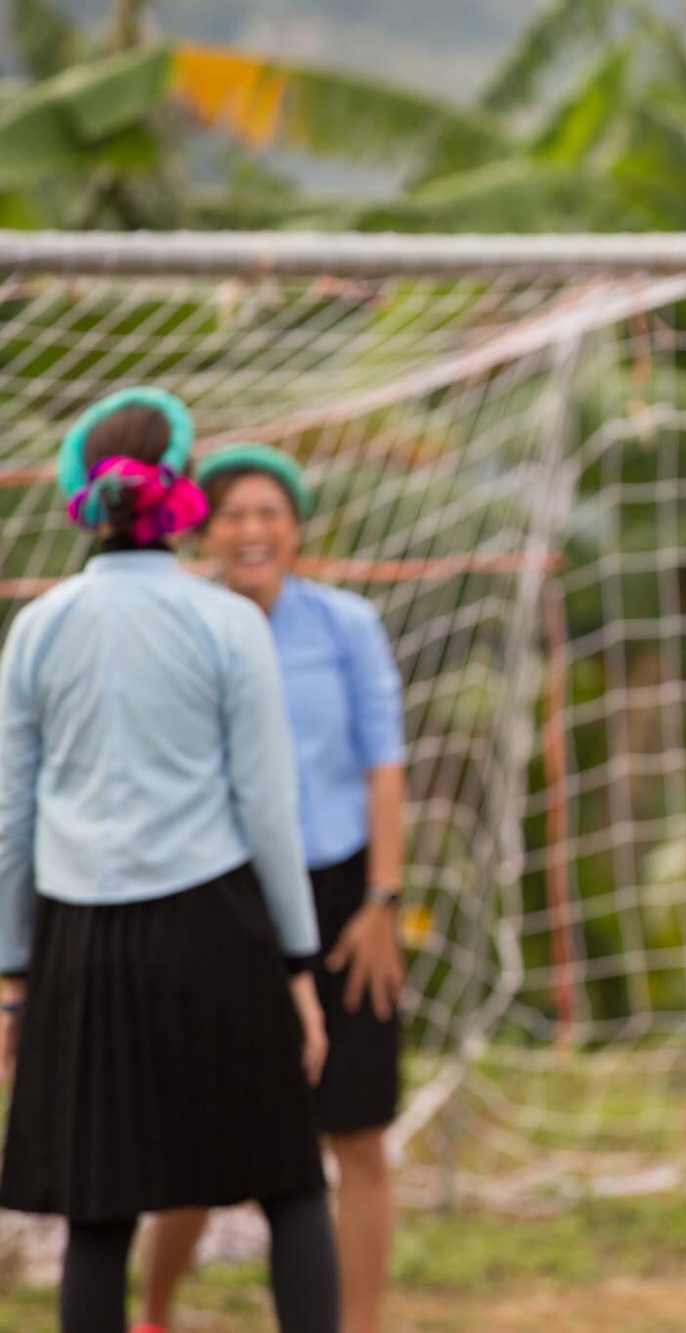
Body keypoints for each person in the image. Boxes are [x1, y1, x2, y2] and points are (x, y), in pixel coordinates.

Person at [0, 388, 340, 1333]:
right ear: (183, 491)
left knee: (97, 1211)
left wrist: (13, 978)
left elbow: (9, 818)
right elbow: (269, 809)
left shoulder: (37, 627)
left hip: (79, 941)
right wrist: (298, 965)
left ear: (81, 495)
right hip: (215, 929)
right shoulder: (227, 622)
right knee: (288, 1184)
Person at [141, 443, 409, 1333]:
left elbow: (383, 766)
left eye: (270, 513)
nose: (253, 530)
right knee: (211, 1138)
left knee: (359, 1136)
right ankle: (153, 1310)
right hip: (230, 903)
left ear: (295, 530)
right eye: (234, 515)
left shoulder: (345, 626)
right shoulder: (187, 629)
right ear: (204, 531)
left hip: (343, 903)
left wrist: (381, 902)